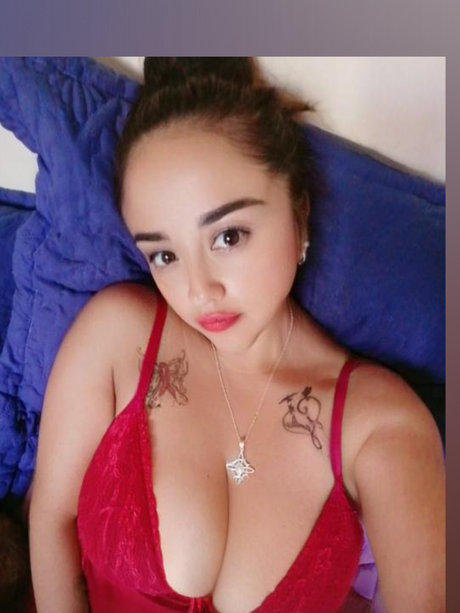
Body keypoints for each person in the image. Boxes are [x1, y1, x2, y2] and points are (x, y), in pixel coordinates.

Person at [29, 57, 445, 613]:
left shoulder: (381, 424)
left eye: (228, 236)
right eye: (164, 254)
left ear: (299, 216)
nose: (199, 289)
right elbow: (50, 521)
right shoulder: (117, 335)